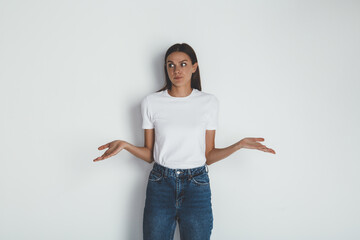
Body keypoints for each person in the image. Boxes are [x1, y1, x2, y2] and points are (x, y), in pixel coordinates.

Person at [93, 43, 276, 240]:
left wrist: (238, 145)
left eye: (183, 64)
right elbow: (149, 155)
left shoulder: (208, 102)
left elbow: (209, 156)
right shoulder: (151, 102)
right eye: (170, 65)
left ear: (194, 67)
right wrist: (126, 145)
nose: (176, 70)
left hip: (196, 186)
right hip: (160, 184)